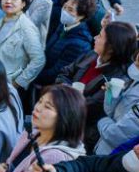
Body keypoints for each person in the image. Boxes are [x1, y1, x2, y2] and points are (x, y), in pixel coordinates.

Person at [56, 21, 136, 152]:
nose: (95, 38)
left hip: (79, 133)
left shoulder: (118, 79)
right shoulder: (92, 55)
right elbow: (65, 72)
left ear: (111, 47)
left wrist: (64, 94)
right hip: (62, 114)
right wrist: (65, 86)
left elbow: (90, 107)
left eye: (99, 36)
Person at [0, 0, 45, 101]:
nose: (8, 1)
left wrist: (18, 83)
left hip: (8, 84)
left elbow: (39, 59)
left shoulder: (26, 27)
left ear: (23, 4)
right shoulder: (2, 20)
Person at [36, 0, 96, 86]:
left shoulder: (79, 44)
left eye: (70, 10)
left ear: (82, 15)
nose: (65, 11)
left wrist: (33, 76)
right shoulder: (64, 25)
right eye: (64, 7)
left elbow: (56, 72)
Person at [95, 50, 139, 155]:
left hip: (112, 159)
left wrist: (102, 119)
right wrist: (111, 94)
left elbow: (115, 136)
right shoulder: (135, 81)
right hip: (101, 148)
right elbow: (110, 111)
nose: (134, 66)